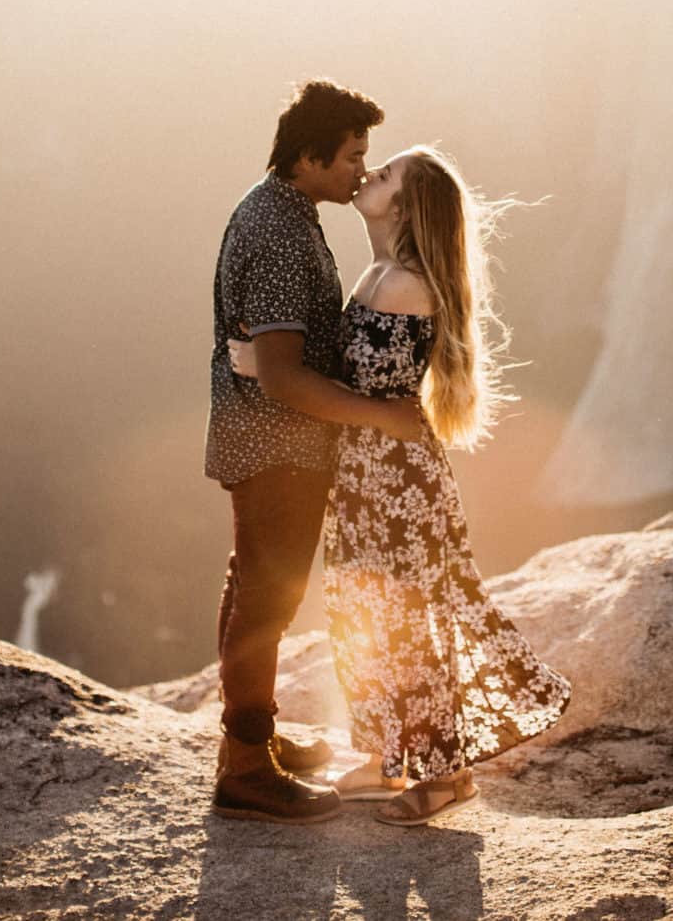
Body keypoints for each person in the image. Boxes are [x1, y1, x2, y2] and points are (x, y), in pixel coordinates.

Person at [231, 144, 572, 826]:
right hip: (364, 476)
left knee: (409, 620)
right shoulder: (382, 272)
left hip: (398, 482)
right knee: (362, 613)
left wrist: (270, 369)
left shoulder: (402, 283)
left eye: (384, 175)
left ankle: (446, 774)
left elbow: (346, 381)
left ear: (408, 206)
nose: (367, 174)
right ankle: (388, 756)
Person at [205, 80, 423, 825]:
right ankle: (243, 769)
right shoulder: (275, 232)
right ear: (308, 156)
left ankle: (252, 739)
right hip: (276, 444)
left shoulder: (284, 210)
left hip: (265, 440)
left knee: (252, 590)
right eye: (351, 158)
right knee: (267, 600)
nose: (361, 173)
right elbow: (282, 374)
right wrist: (381, 418)